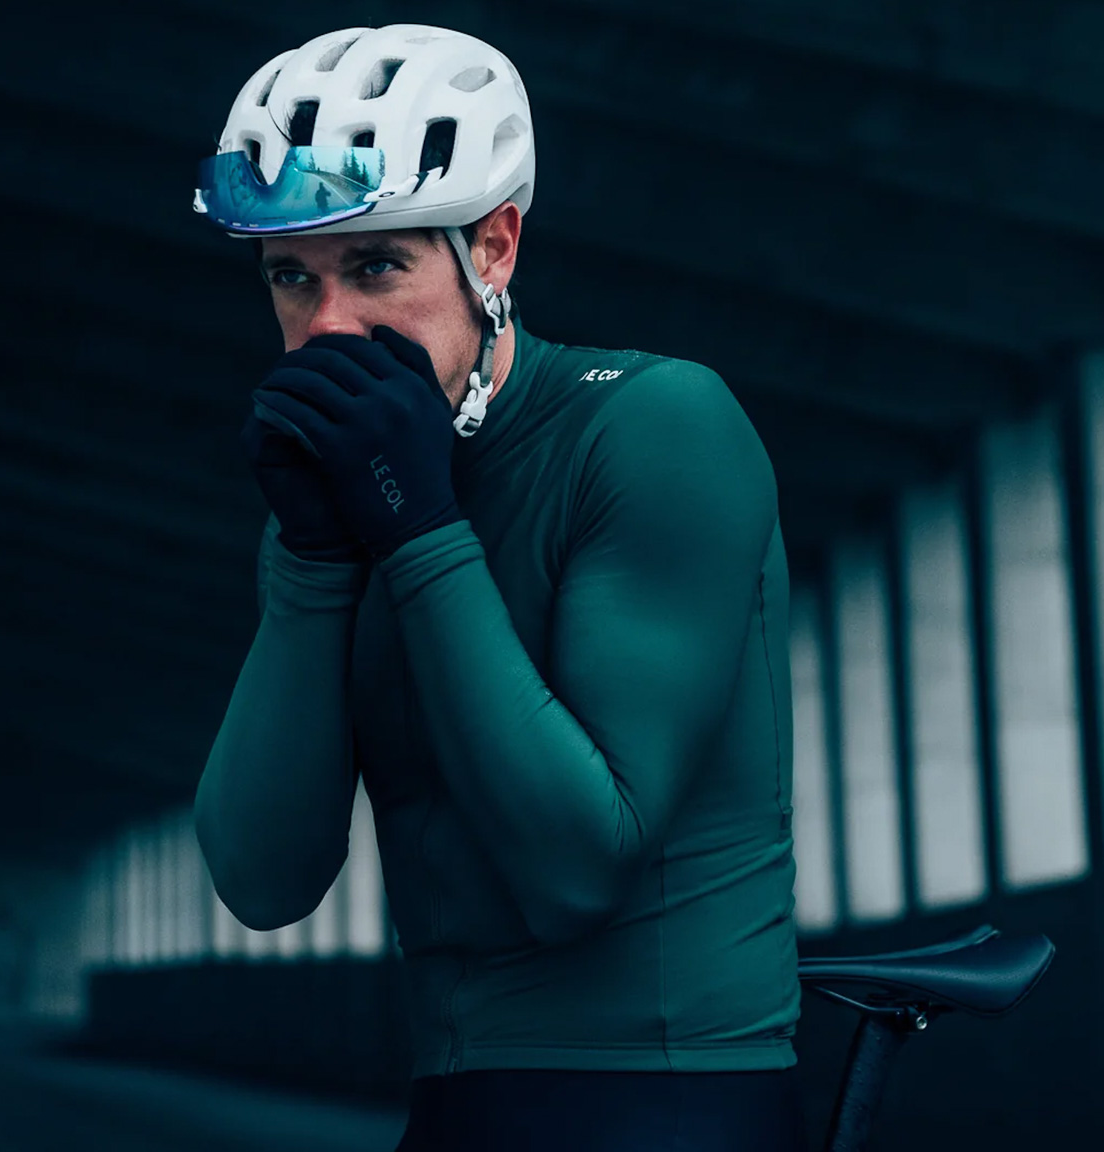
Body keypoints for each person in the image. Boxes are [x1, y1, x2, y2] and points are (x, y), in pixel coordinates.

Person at [190, 23, 806, 1152]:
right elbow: (262, 878)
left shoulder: (655, 427)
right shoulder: (349, 505)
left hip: (665, 1102)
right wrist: (315, 557)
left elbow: (576, 866)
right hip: (455, 1100)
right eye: (292, 278)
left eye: (376, 266)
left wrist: (418, 527)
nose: (329, 330)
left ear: (495, 246)